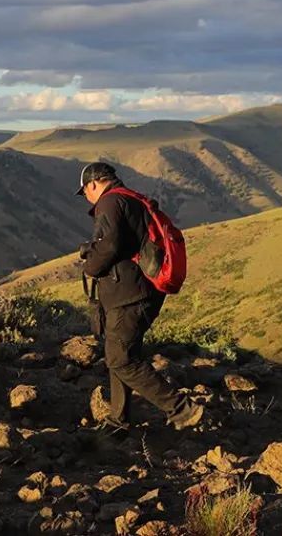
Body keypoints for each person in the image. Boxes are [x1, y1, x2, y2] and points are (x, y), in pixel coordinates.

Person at [77, 162, 203, 433]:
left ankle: (182, 408)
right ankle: (118, 420)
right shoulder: (131, 200)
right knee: (121, 354)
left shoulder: (109, 203)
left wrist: (90, 264)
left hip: (128, 295)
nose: (86, 197)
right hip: (143, 291)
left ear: (94, 184)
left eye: (85, 191)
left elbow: (109, 245)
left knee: (121, 359)